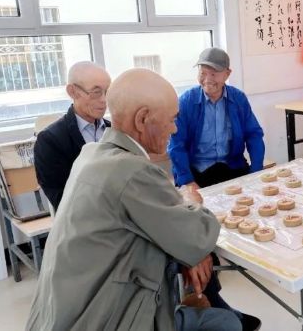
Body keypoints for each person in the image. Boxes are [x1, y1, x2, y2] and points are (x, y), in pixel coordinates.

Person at [26, 68, 242, 331]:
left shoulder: (91, 153)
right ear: (142, 119)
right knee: (227, 323)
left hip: (60, 316)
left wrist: (187, 248)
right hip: (100, 321)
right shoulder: (132, 171)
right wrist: (192, 201)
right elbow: (197, 235)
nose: (175, 128)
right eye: (172, 119)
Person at [168, 47, 265, 189]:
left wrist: (256, 171)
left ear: (227, 74)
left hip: (233, 168)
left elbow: (253, 135)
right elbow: (176, 145)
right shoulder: (186, 101)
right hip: (197, 173)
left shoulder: (238, 98)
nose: (207, 80)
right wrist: (187, 181)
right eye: (203, 73)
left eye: (213, 74)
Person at [34, 61, 111, 211]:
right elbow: (62, 201)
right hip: (84, 219)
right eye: (96, 92)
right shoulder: (50, 140)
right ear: (72, 91)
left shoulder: (115, 131)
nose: (103, 100)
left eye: (107, 92)